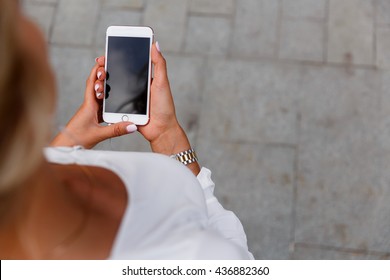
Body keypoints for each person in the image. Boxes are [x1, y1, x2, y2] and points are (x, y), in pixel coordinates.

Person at [0, 0, 253, 259]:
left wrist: (70, 143)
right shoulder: (190, 257)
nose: (38, 31)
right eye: (19, 15)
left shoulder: (40, 165)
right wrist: (172, 141)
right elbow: (235, 253)